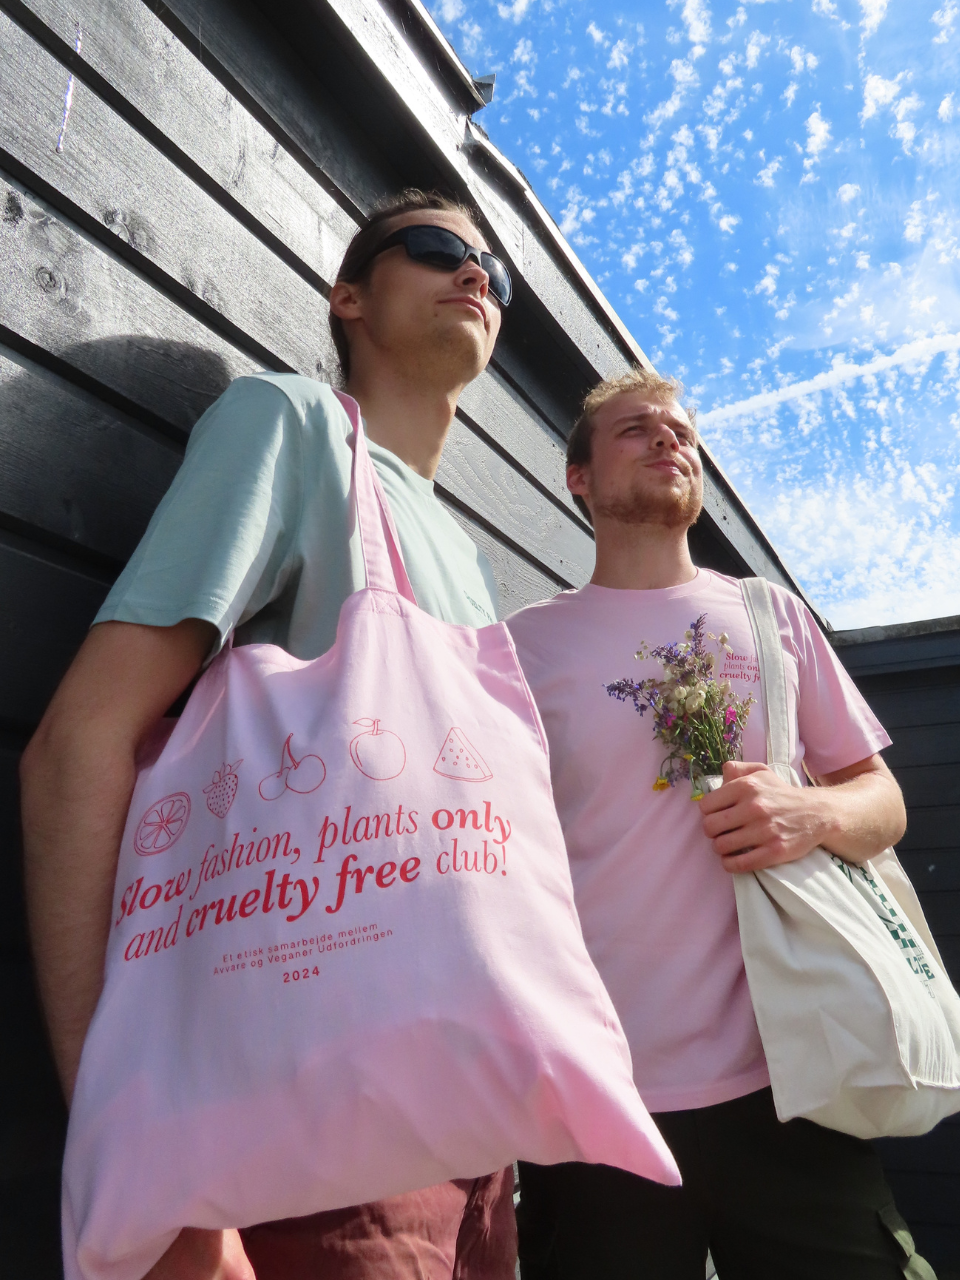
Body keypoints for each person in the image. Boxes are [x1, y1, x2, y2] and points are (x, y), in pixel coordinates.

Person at [21, 190, 518, 1280]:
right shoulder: (290, 425)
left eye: (497, 271)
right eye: (438, 249)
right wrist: (149, 1176)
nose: (476, 275)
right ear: (349, 296)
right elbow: (78, 745)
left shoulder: (468, 556)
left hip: (475, 1140)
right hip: (317, 1127)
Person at [506, 368, 936, 1280]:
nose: (670, 441)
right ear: (576, 475)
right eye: (637, 430)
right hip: (598, 1096)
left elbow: (883, 803)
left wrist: (811, 809)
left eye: (682, 433)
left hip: (792, 1083)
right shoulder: (519, 647)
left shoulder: (770, 615)